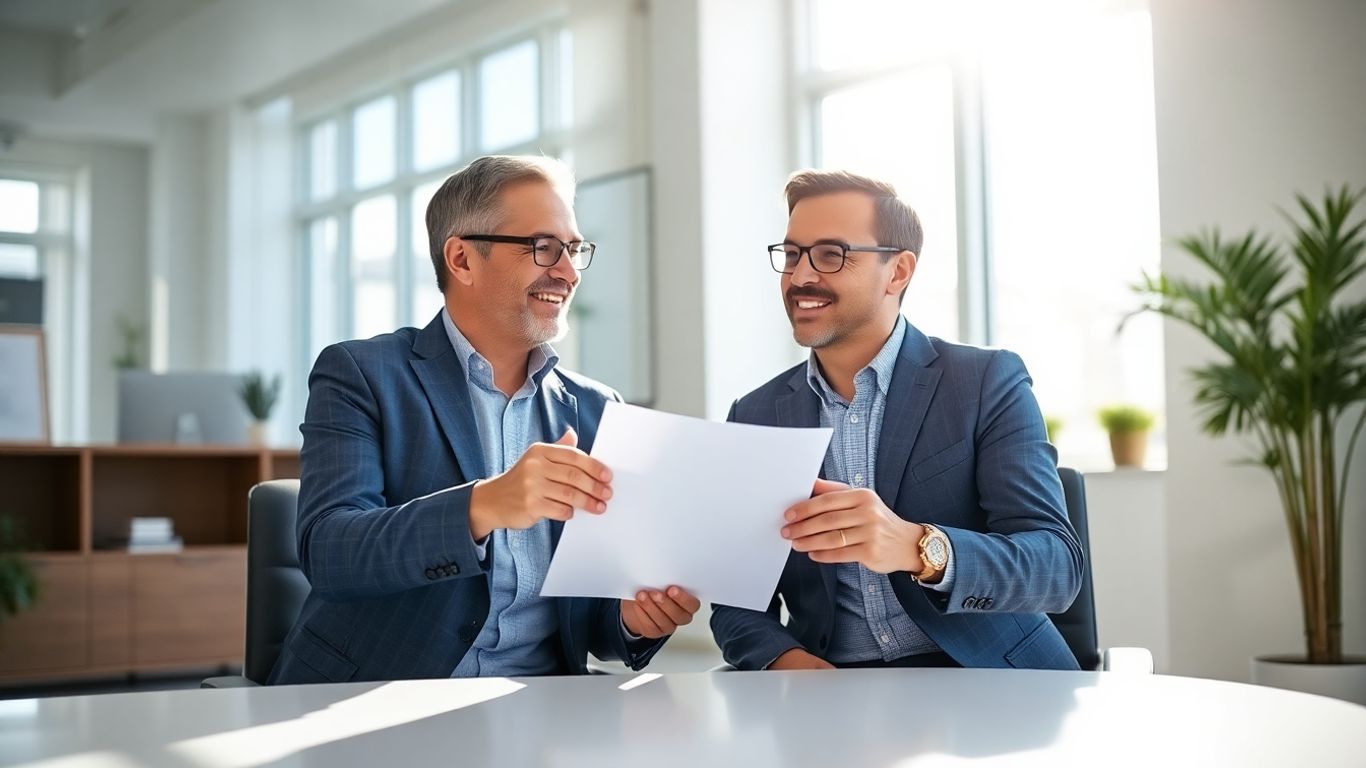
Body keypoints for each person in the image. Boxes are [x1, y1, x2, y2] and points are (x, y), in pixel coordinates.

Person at [270, 155, 700, 684]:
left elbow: (590, 625)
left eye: (573, 250)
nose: (566, 271)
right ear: (463, 260)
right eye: (543, 247)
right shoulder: (363, 374)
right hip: (377, 694)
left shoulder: (595, 408)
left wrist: (633, 621)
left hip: (538, 705)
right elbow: (332, 552)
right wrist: (486, 504)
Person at [710, 170, 1083, 671]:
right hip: (833, 693)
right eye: (793, 254)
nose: (800, 278)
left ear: (898, 272)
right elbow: (736, 599)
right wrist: (787, 661)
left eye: (830, 254)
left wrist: (918, 547)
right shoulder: (754, 415)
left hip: (990, 680)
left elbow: (1054, 566)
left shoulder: (983, 382)